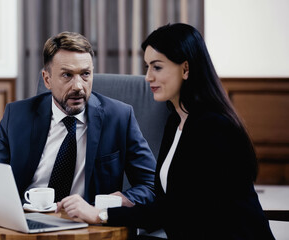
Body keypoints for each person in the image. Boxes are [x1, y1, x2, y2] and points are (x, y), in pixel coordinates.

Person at [56, 24, 275, 239]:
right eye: (147, 67)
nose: (148, 77)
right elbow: (169, 201)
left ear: (186, 69)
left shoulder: (214, 127)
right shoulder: (176, 121)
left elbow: (174, 211)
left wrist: (100, 214)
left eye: (157, 67)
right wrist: (128, 201)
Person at [0, 31, 157, 239]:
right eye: (67, 75)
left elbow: (151, 185)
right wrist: (3, 209)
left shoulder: (119, 117)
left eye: (85, 74)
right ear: (47, 79)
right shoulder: (18, 116)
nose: (78, 86)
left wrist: (121, 200)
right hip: (25, 222)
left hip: (84, 227)